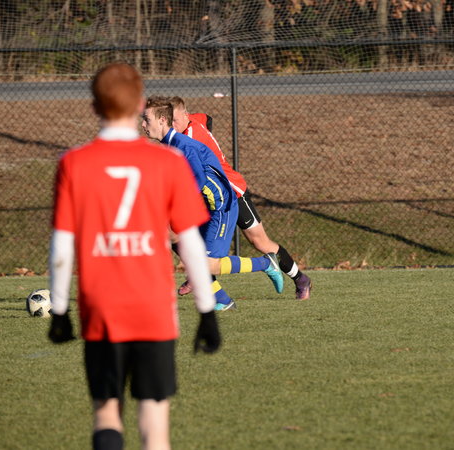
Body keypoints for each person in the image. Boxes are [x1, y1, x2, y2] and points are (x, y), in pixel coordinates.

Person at [47, 62, 221, 450]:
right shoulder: (168, 162)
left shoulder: (73, 163)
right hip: (153, 310)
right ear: (141, 104)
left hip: (101, 309)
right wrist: (206, 312)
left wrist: (59, 310)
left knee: (107, 414)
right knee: (154, 425)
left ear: (94, 107)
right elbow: (191, 243)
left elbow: (61, 245)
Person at [141, 96, 284, 311]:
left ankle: (266, 263)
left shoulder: (183, 146)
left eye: (147, 119)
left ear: (162, 120)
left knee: (209, 265)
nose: (143, 124)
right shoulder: (169, 146)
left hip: (220, 206)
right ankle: (222, 300)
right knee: (177, 241)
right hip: (205, 207)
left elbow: (197, 181)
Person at [169, 96, 312, 300]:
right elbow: (207, 118)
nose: (172, 126)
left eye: (175, 120)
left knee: (260, 242)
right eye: (169, 121)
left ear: (185, 115)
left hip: (233, 191)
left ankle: (300, 279)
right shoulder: (193, 120)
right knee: (178, 234)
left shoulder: (190, 138)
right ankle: (200, 275)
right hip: (212, 196)